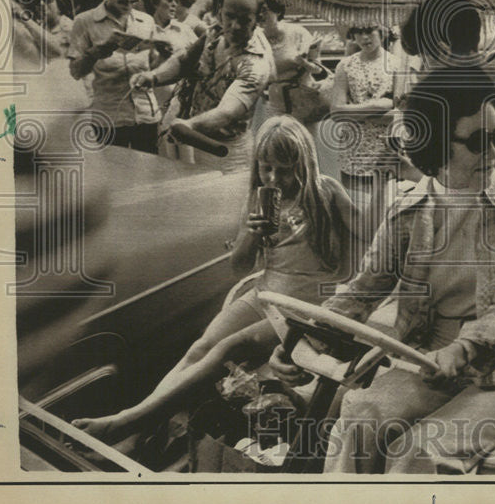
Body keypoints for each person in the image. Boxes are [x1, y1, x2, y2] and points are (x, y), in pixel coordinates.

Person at [270, 68, 495, 474]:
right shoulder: (407, 209)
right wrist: (298, 341)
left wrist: (463, 349)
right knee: (360, 417)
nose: (494, 152)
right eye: (479, 141)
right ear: (439, 144)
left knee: (417, 449)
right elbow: (362, 292)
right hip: (427, 366)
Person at [72, 115, 359, 444]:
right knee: (200, 347)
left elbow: (369, 238)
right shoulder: (257, 199)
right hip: (264, 294)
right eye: (266, 168)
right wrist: (251, 236)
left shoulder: (327, 192)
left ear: (303, 164)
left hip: (301, 305)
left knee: (227, 348)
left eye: (284, 169)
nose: (274, 177)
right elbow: (239, 267)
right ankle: (146, 418)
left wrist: (343, 292)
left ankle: (127, 421)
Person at [131, 0, 273, 172]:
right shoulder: (215, 32)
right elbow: (185, 61)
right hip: (194, 143)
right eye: (229, 16)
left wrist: (190, 125)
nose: (235, 26)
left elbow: (227, 112)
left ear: (257, 20)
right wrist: (155, 76)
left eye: (244, 20)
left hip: (228, 154)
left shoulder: (256, 63)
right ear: (220, 11)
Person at [397, 0, 495, 183]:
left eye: (425, 57)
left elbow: (465, 178)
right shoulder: (492, 75)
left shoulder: (480, 83)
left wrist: (406, 170)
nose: (424, 68)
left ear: (443, 50)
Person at [68, 0, 162, 153]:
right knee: (115, 176)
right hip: (109, 117)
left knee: (150, 174)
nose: (128, 5)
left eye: (133, 0)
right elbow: (76, 71)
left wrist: (162, 53)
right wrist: (97, 52)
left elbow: (154, 65)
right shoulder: (85, 21)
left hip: (146, 113)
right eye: (121, 0)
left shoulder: (146, 21)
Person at [330, 24, 397, 228]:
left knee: (385, 216)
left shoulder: (396, 65)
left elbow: (400, 115)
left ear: (382, 31)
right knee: (358, 218)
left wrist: (355, 111)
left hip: (386, 150)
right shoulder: (346, 65)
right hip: (354, 151)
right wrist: (379, 105)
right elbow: (336, 112)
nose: (364, 37)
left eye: (370, 31)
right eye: (358, 32)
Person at [254, 0, 326, 128]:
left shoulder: (298, 33)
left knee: (305, 143)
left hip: (303, 99)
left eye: (264, 10)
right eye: (256, 11)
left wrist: (303, 62)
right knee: (277, 142)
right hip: (275, 103)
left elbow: (318, 69)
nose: (260, 15)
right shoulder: (254, 39)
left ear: (278, 12)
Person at [142, 0, 197, 112]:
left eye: (176, 1)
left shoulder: (184, 30)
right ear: (155, 3)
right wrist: (160, 57)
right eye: (169, 0)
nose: (174, 5)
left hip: (177, 106)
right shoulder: (143, 30)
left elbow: (199, 58)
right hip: (149, 104)